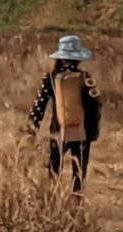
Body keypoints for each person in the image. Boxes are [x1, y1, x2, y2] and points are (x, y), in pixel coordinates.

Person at [26, 35, 101, 196]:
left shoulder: (50, 78)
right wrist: (93, 132)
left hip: (57, 132)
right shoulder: (85, 78)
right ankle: (76, 206)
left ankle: (52, 203)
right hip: (83, 133)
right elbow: (94, 107)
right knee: (79, 174)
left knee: (53, 172)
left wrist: (31, 129)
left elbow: (38, 106)